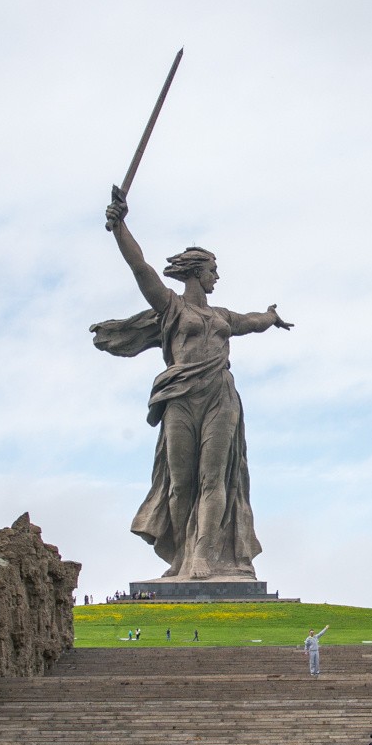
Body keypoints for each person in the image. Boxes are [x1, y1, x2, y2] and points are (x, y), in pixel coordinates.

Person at [97, 201, 293, 582]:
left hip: (220, 396)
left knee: (214, 478)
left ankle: (204, 555)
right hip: (180, 399)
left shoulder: (221, 317)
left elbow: (252, 322)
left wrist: (271, 316)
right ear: (196, 272)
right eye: (213, 270)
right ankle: (181, 555)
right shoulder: (171, 308)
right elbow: (141, 268)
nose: (216, 277)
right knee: (181, 482)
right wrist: (121, 227)